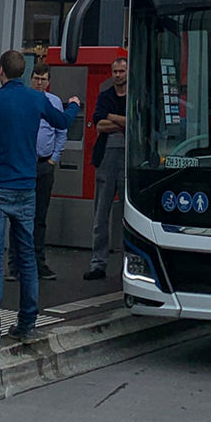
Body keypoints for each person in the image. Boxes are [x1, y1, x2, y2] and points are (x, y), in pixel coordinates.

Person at [0, 50, 78, 349]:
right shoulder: (37, 99)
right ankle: (27, 324)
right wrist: (75, 106)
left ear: (1, 71)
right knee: (27, 259)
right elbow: (63, 121)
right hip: (26, 188)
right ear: (24, 73)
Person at [84, 56, 127, 281]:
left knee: (127, 215)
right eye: (115, 71)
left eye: (122, 71)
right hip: (105, 158)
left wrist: (111, 118)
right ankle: (97, 263)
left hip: (128, 159)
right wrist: (122, 120)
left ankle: (127, 263)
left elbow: (135, 122)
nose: (118, 75)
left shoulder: (136, 95)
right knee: (101, 212)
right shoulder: (105, 96)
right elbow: (99, 124)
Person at [30, 62, 68, 282]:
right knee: (20, 215)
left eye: (43, 79)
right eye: (36, 78)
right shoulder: (25, 99)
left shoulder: (53, 102)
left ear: (49, 81)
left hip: (45, 164)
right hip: (25, 164)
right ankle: (16, 264)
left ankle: (38, 262)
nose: (40, 82)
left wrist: (54, 158)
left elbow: (61, 131)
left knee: (40, 216)